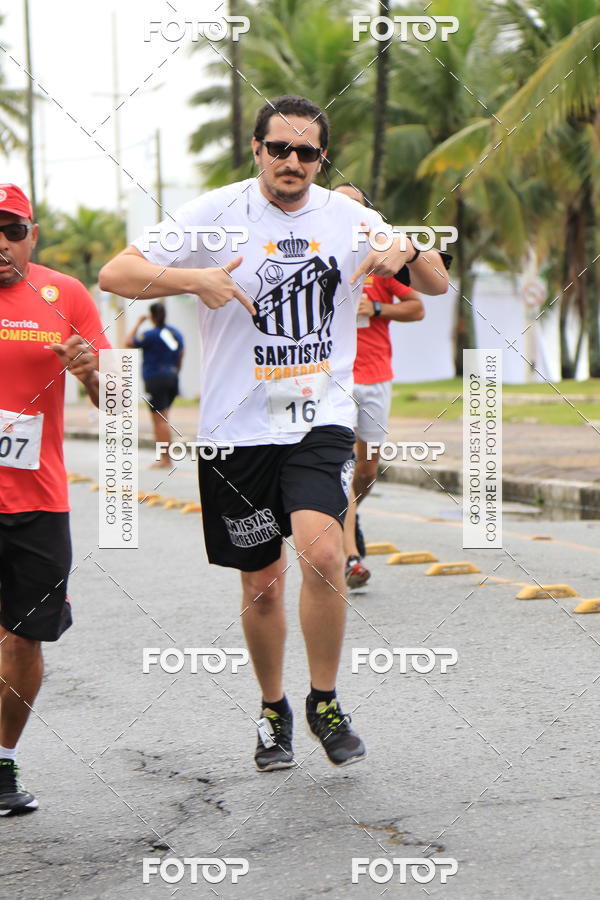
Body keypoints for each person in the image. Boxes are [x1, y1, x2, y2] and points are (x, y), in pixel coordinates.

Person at [100, 94, 448, 772]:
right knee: (261, 581)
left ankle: (325, 700)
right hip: (237, 428)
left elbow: (431, 284)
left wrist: (405, 247)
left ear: (322, 159)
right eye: (279, 149)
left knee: (322, 553)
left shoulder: (348, 216)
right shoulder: (216, 211)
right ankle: (272, 709)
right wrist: (190, 278)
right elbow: (117, 273)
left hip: (320, 416)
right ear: (258, 150)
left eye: (307, 152)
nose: (292, 162)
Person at [0, 184, 110, 815]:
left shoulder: (65, 295)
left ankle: (3, 760)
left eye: (12, 229)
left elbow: (114, 403)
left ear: (32, 234)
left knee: (23, 639)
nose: (2, 243)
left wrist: (90, 372)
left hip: (38, 502)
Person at [333, 184, 425, 589]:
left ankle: (350, 515)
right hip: (331, 379)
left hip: (375, 376)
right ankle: (350, 554)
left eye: (354, 205)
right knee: (339, 469)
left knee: (366, 472)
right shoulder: (317, 254)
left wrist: (379, 308)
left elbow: (418, 307)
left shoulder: (382, 259)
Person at [125, 302, 184, 467]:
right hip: (172, 376)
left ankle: (165, 459)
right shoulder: (175, 333)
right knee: (163, 418)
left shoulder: (150, 334)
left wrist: (138, 322)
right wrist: (175, 372)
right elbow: (181, 354)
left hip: (155, 379)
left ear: (151, 316)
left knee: (159, 420)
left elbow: (128, 342)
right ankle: (165, 457)